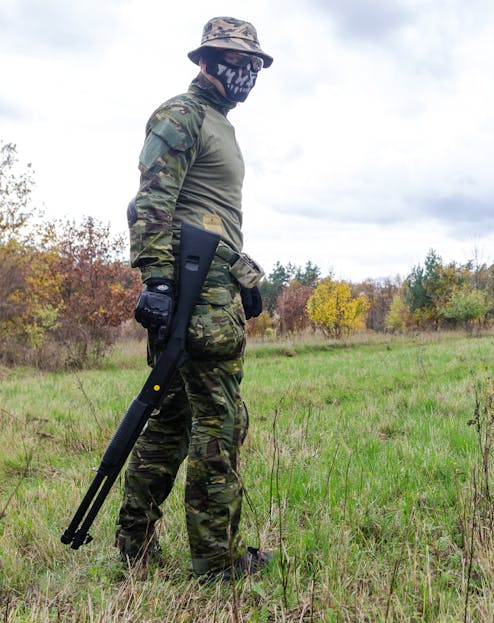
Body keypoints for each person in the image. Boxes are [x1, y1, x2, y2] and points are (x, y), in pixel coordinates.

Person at [117, 16, 272, 581]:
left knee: (171, 421)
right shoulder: (181, 115)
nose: (246, 73)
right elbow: (151, 204)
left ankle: (132, 547)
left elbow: (211, 218)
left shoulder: (219, 125)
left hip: (214, 285)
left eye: (253, 64)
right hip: (193, 297)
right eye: (236, 60)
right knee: (220, 421)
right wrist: (156, 282)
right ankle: (217, 561)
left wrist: (245, 279)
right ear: (205, 60)